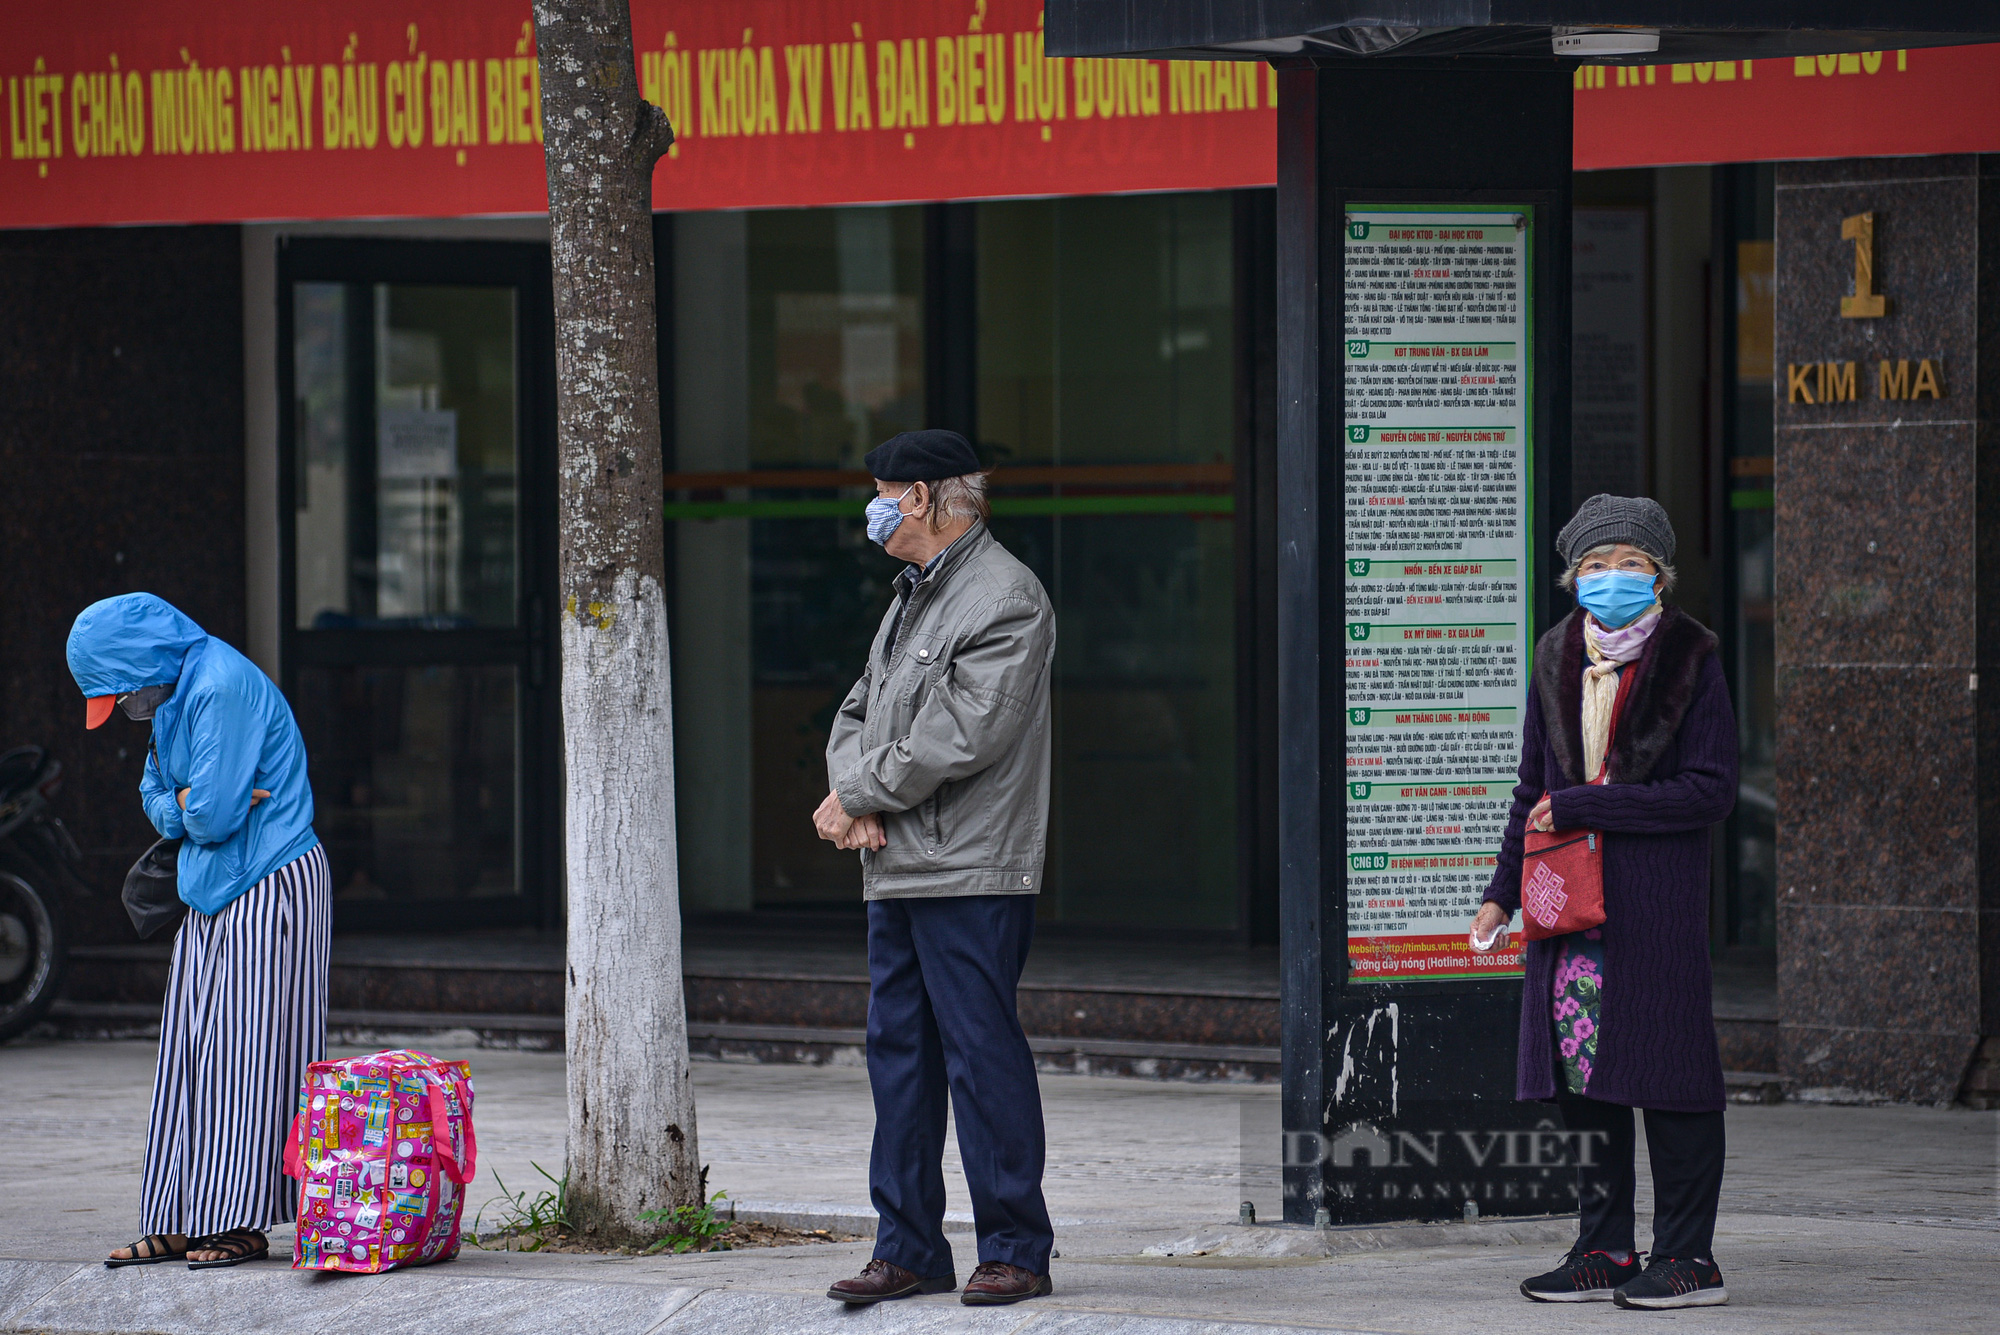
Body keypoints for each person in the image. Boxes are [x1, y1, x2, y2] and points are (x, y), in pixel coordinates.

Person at [1470, 495, 1737, 1310]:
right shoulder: (1554, 654)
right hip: (1567, 908)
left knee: (1671, 1074)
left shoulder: (1692, 657)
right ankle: (1605, 1246)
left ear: (1659, 573)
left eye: (1628, 561)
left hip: (1653, 908)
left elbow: (1710, 791)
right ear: (1571, 575)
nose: (1611, 576)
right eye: (1594, 563)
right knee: (1584, 1074)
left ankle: (1689, 1256)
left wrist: (1593, 804)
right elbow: (1532, 792)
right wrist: (1499, 895)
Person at [814, 429, 1058, 1307]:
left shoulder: (1005, 596)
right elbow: (859, 705)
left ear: (919, 497)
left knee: (979, 1054)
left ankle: (1017, 1249)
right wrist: (857, 790)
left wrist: (863, 791)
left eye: (881, 491)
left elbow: (966, 729)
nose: (872, 508)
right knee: (900, 1058)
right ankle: (908, 1245)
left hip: (970, 867)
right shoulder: (912, 596)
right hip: (899, 862)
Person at [69, 593, 327, 1271]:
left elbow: (209, 817)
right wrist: (183, 801)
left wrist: (187, 804)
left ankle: (237, 1220)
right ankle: (179, 1219)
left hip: (269, 881)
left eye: (121, 697)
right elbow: (158, 795)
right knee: (188, 1057)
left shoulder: (218, 686)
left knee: (247, 1057)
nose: (126, 712)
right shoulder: (175, 693)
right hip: (209, 887)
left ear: (141, 667)